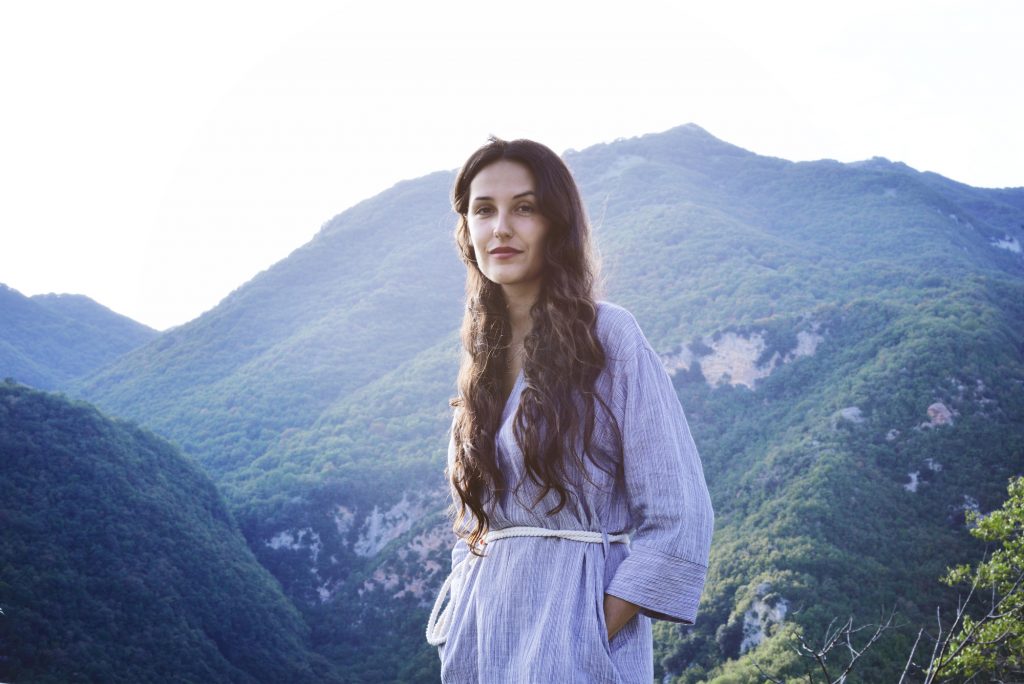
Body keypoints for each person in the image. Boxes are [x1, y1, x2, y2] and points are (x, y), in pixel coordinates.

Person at [425, 137, 714, 683]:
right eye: (483, 210)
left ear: (556, 224)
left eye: (524, 208)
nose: (501, 228)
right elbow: (472, 529)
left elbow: (680, 516)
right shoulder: (479, 360)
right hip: (480, 650)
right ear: (466, 229)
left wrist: (586, 634)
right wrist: (461, 624)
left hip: (578, 657)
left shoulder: (608, 337)